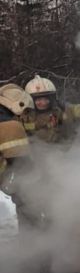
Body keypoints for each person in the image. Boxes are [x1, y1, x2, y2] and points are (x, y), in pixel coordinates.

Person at [0, 84, 41, 230]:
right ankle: (35, 244)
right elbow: (22, 166)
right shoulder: (11, 126)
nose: (24, 116)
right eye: (25, 111)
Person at [21, 75, 80, 143]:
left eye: (46, 99)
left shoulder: (59, 110)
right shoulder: (24, 116)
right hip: (39, 152)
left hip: (67, 150)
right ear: (30, 100)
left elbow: (76, 109)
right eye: (38, 100)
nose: (43, 103)